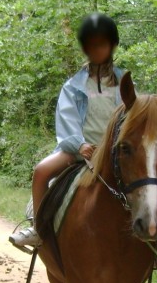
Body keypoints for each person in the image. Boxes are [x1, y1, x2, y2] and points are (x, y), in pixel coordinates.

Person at [10, 13, 125, 247]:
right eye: (92, 45)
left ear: (112, 45)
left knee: (155, 188)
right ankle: (38, 230)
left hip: (115, 153)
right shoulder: (73, 86)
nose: (97, 49)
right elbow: (66, 119)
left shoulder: (124, 82)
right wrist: (79, 144)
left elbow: (132, 116)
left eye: (102, 44)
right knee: (41, 171)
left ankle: (154, 245)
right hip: (81, 150)